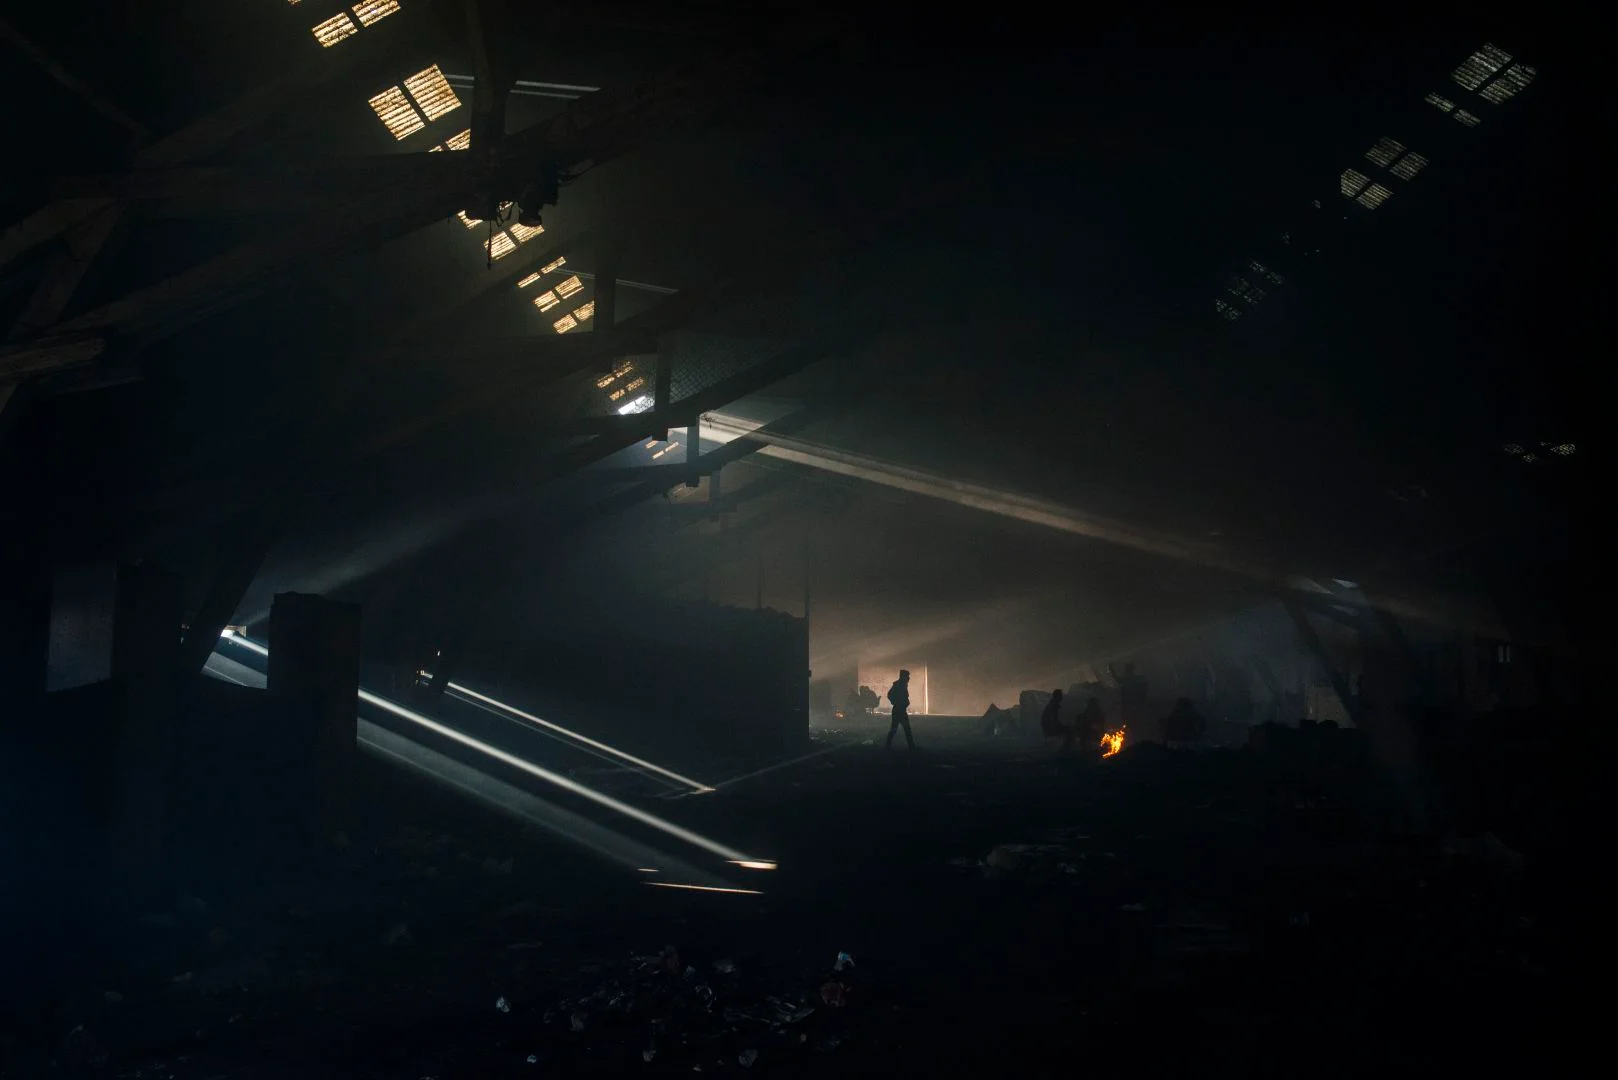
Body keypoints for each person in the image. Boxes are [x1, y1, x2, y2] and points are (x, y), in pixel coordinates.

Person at [885, 670, 914, 750]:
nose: (908, 678)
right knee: (906, 729)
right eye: (907, 676)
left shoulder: (900, 685)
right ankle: (911, 746)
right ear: (903, 677)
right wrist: (896, 702)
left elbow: (890, 695)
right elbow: (890, 695)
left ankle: (888, 745)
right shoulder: (899, 685)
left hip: (899, 709)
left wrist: (895, 702)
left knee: (895, 729)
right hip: (899, 710)